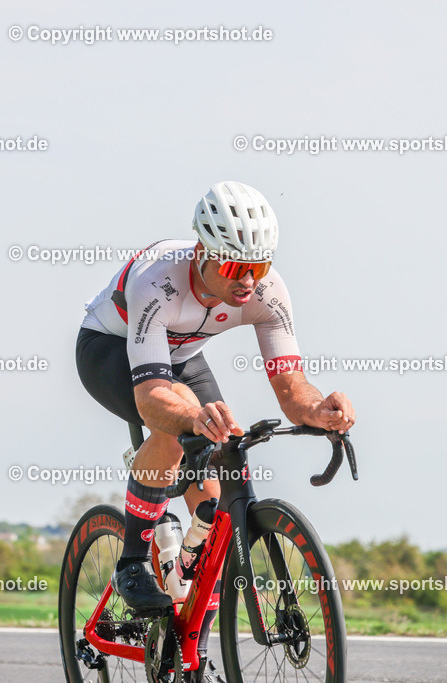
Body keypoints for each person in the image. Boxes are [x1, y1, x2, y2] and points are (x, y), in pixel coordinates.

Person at [76, 181, 355, 618]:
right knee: (179, 422)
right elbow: (153, 399)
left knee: (224, 464)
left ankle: (192, 635)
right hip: (108, 347)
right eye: (234, 268)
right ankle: (132, 563)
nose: (247, 282)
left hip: (182, 354)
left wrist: (316, 410)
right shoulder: (158, 280)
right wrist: (189, 418)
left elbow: (291, 387)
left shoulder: (267, 290)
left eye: (258, 267)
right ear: (203, 253)